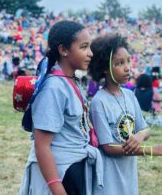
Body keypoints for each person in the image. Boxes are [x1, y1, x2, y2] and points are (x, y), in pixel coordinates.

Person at [19, 20, 103, 195]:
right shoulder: (54, 88)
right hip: (59, 174)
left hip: (73, 168)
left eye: (90, 47)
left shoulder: (71, 81)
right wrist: (57, 189)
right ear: (63, 50)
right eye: (84, 47)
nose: (90, 53)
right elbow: (42, 146)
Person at [88, 34, 162, 195]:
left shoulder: (129, 95)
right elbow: (108, 147)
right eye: (120, 63)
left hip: (128, 175)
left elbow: (145, 129)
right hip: (109, 179)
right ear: (105, 68)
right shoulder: (99, 102)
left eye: (128, 61)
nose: (127, 67)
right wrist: (149, 150)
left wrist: (139, 137)